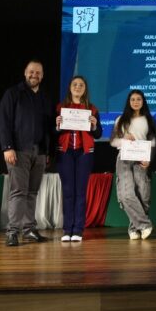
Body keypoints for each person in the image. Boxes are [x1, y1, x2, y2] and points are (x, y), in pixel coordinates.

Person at [0, 59, 54, 247]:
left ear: (42, 75)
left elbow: (48, 127)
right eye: (31, 71)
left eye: (38, 72)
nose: (34, 75)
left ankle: (29, 230)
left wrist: (47, 152)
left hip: (39, 153)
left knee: (32, 192)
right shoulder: (13, 93)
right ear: (25, 72)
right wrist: (7, 147)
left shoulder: (45, 97)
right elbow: (3, 122)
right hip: (18, 151)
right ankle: (12, 232)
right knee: (18, 192)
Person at [55, 76, 102, 242]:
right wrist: (57, 126)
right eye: (75, 84)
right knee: (68, 192)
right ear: (70, 87)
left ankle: (78, 230)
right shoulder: (60, 108)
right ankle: (67, 229)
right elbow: (53, 133)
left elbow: (98, 134)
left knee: (80, 193)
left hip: (84, 154)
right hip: (65, 152)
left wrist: (95, 125)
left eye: (81, 85)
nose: (77, 87)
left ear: (85, 89)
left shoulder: (92, 109)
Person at [110, 90, 156, 240]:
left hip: (142, 159)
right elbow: (112, 141)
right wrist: (124, 139)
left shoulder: (149, 120)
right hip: (124, 159)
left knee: (143, 194)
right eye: (133, 99)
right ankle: (145, 225)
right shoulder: (120, 120)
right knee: (126, 194)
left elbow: (154, 143)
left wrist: (149, 159)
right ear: (129, 102)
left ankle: (134, 227)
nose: (135, 102)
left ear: (143, 102)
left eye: (139, 99)